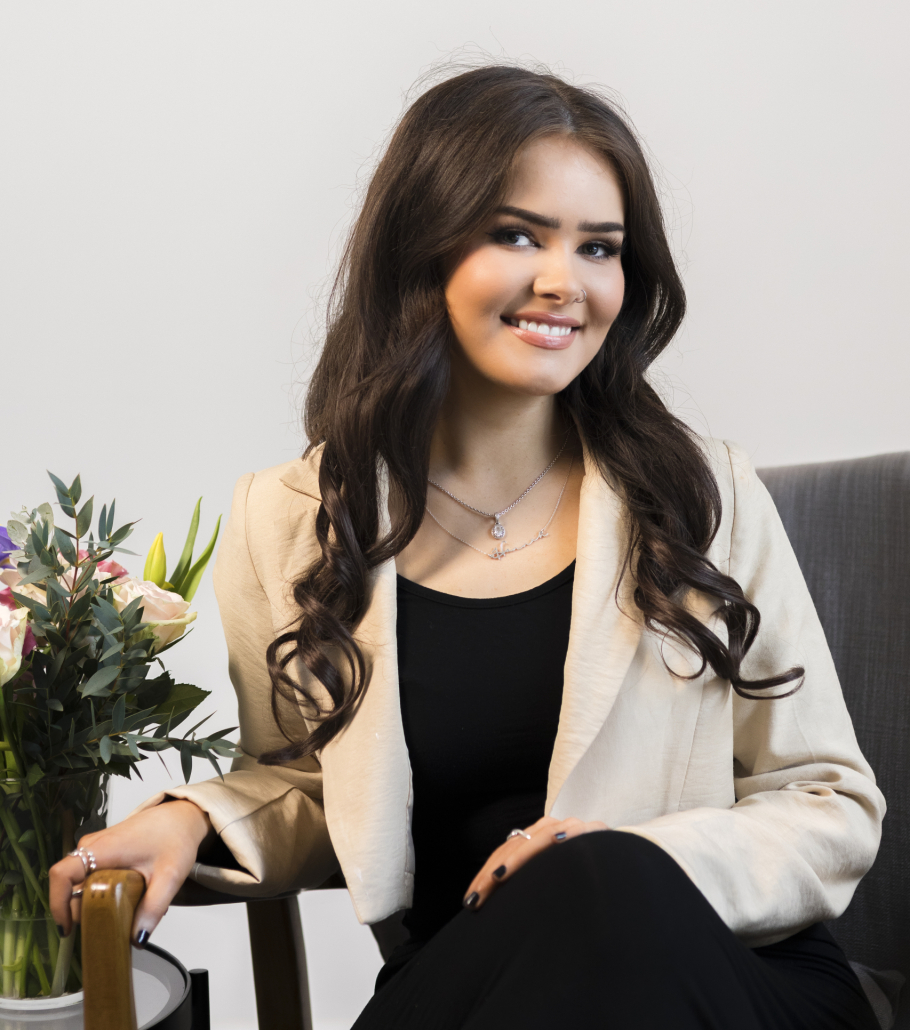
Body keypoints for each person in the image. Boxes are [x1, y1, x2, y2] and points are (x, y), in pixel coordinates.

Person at [49, 66, 884, 1028]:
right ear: (424, 247)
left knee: (599, 881)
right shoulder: (287, 520)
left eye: (600, 248)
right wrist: (192, 816)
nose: (564, 282)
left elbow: (828, 801)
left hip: (725, 973)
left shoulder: (703, 493)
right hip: (479, 986)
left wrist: (641, 857)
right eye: (517, 234)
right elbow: (317, 789)